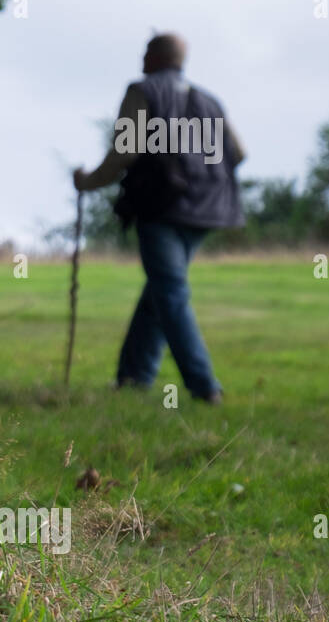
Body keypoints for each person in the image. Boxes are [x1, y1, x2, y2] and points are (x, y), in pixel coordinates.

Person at [73, 33, 246, 404]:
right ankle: (133, 379)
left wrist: (88, 182)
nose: (140, 57)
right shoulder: (210, 101)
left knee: (170, 294)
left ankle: (205, 387)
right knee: (160, 291)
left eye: (145, 51)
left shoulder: (143, 91)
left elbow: (125, 150)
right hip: (209, 210)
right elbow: (240, 152)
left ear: (156, 56)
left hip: (162, 208)